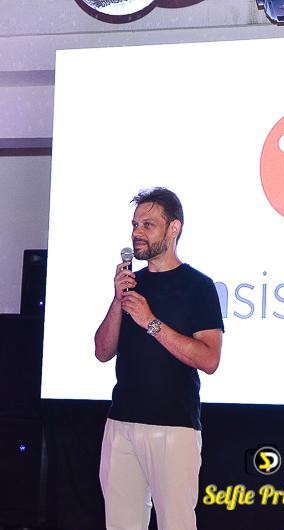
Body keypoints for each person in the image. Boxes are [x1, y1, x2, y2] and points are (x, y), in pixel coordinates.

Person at [94, 187, 224, 530]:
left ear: (173, 229)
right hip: (121, 424)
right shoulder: (131, 285)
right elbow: (102, 351)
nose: (137, 232)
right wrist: (117, 300)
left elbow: (210, 359)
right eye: (135, 225)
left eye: (148, 225)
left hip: (174, 428)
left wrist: (151, 323)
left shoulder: (198, 286)